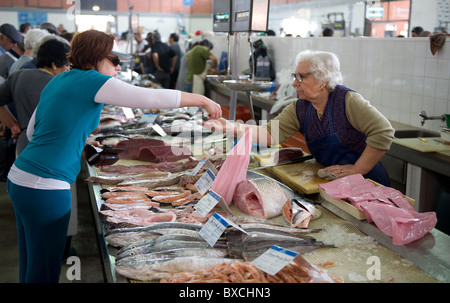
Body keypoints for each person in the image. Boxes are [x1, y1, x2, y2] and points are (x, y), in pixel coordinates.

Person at [6, 29, 221, 283]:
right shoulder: (93, 81)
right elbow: (150, 97)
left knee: (31, 262)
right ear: (95, 57)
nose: (118, 67)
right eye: (114, 60)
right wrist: (202, 99)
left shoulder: (58, 79)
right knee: (44, 272)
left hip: (20, 177)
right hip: (46, 187)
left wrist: (73, 134)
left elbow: (33, 132)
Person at [205, 50, 394, 186]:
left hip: (367, 182)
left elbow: (383, 132)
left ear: (323, 80)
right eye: (294, 76)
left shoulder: (347, 100)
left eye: (301, 77)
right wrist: (230, 127)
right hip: (333, 179)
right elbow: (269, 134)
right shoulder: (300, 108)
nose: (295, 83)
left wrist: (357, 168)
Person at [0, 38, 71, 156]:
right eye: (67, 66)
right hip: (52, 148)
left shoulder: (18, 75)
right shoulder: (60, 84)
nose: (68, 70)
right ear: (54, 65)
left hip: (23, 146)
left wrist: (13, 124)